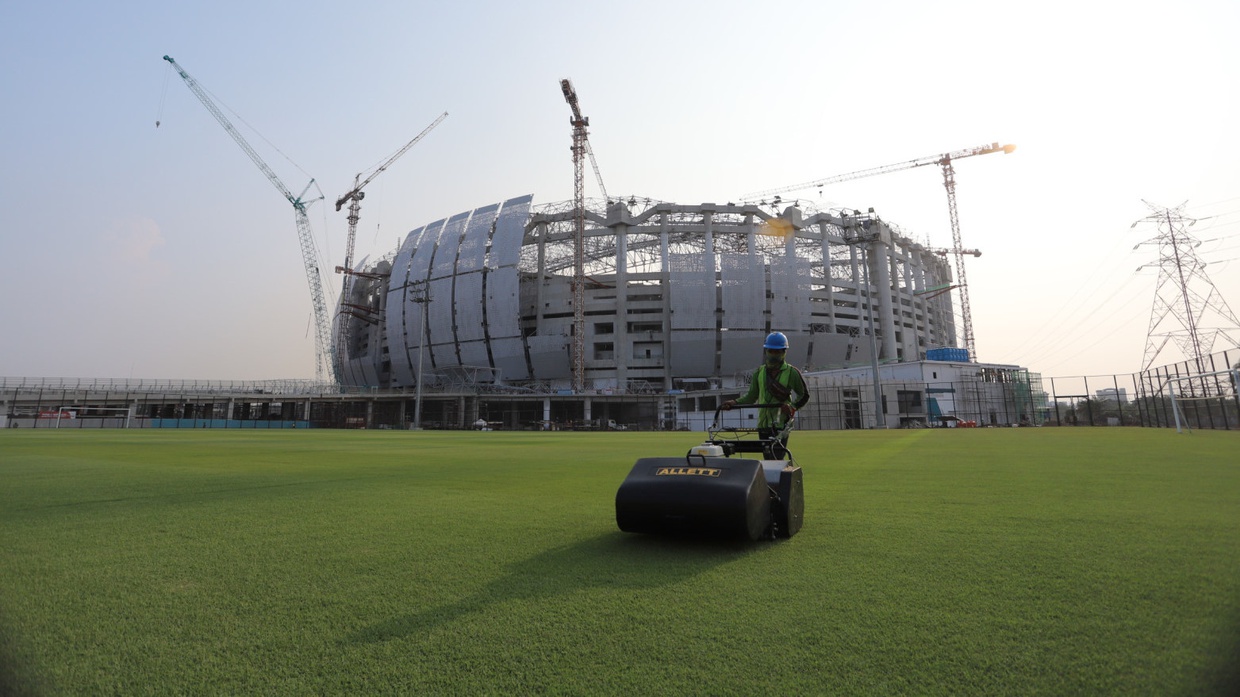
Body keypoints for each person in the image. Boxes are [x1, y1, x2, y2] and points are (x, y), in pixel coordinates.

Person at [722, 332, 810, 457]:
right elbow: (751, 396)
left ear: (784, 352)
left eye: (777, 352)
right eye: (771, 351)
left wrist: (792, 407)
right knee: (768, 460)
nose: (774, 355)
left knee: (777, 459)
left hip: (781, 425)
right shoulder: (759, 372)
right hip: (763, 425)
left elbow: (804, 395)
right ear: (766, 351)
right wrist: (734, 402)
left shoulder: (792, 372)